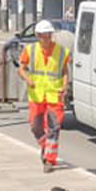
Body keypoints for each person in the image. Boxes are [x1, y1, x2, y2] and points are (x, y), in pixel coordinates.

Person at [17, 20, 71, 173]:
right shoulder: (30, 50)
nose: (45, 39)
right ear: (37, 36)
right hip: (37, 94)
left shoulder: (61, 52)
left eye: (47, 36)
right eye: (42, 36)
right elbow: (21, 69)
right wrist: (28, 78)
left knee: (54, 128)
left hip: (54, 94)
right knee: (36, 127)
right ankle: (45, 147)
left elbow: (65, 71)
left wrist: (65, 86)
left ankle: (49, 160)